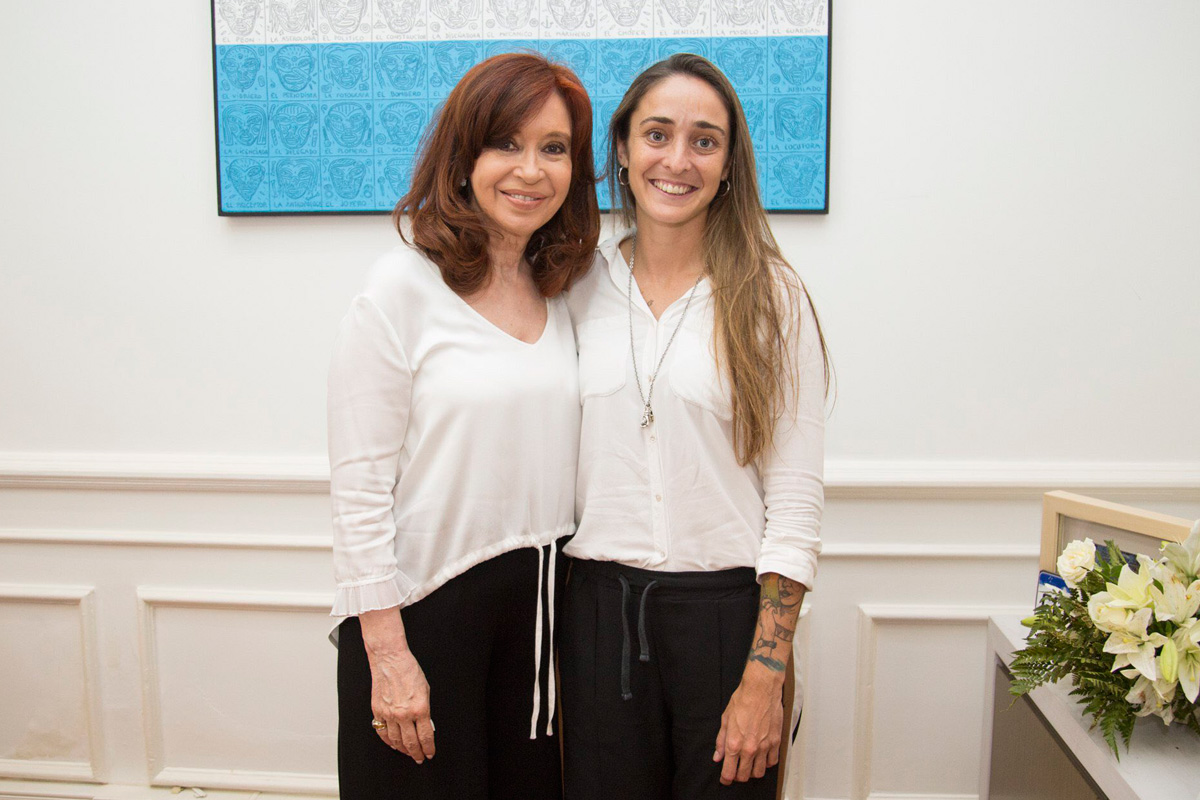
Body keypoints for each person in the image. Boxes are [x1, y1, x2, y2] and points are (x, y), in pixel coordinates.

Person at [327, 52, 599, 800]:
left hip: (542, 616)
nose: (531, 170)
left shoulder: (570, 293)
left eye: (554, 149)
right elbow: (358, 490)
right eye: (505, 144)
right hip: (423, 618)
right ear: (463, 155)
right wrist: (388, 655)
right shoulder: (400, 286)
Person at [560, 53, 830, 799]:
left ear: (729, 164)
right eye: (657, 134)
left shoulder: (773, 297)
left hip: (727, 621)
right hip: (594, 616)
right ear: (621, 147)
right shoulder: (573, 283)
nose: (677, 160)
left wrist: (763, 677)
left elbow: (796, 502)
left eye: (704, 140)